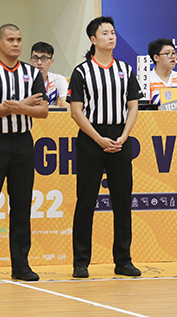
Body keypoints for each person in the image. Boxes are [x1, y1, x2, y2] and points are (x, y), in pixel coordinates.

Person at [0, 24, 48, 283]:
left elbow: (43, 111)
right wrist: (24, 105)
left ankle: (21, 265)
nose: (16, 44)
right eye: (10, 39)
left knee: (22, 205)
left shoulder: (31, 72)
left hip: (23, 144)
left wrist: (19, 107)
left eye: (19, 39)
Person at [67, 16, 143, 279]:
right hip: (91, 138)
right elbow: (76, 112)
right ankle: (81, 262)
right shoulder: (81, 71)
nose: (111, 37)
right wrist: (99, 139)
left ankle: (123, 260)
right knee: (86, 201)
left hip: (120, 137)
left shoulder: (125, 69)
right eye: (105, 33)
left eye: (113, 32)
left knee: (122, 202)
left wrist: (123, 136)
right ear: (93, 39)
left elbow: (133, 106)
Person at [147, 38, 177, 105]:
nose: (173, 56)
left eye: (174, 53)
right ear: (156, 57)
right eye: (167, 53)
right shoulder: (146, 80)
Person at [29, 41, 69, 108]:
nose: (39, 62)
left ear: (51, 62)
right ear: (30, 61)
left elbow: (66, 106)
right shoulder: (23, 79)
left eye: (44, 58)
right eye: (35, 58)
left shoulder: (59, 79)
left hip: (52, 117)